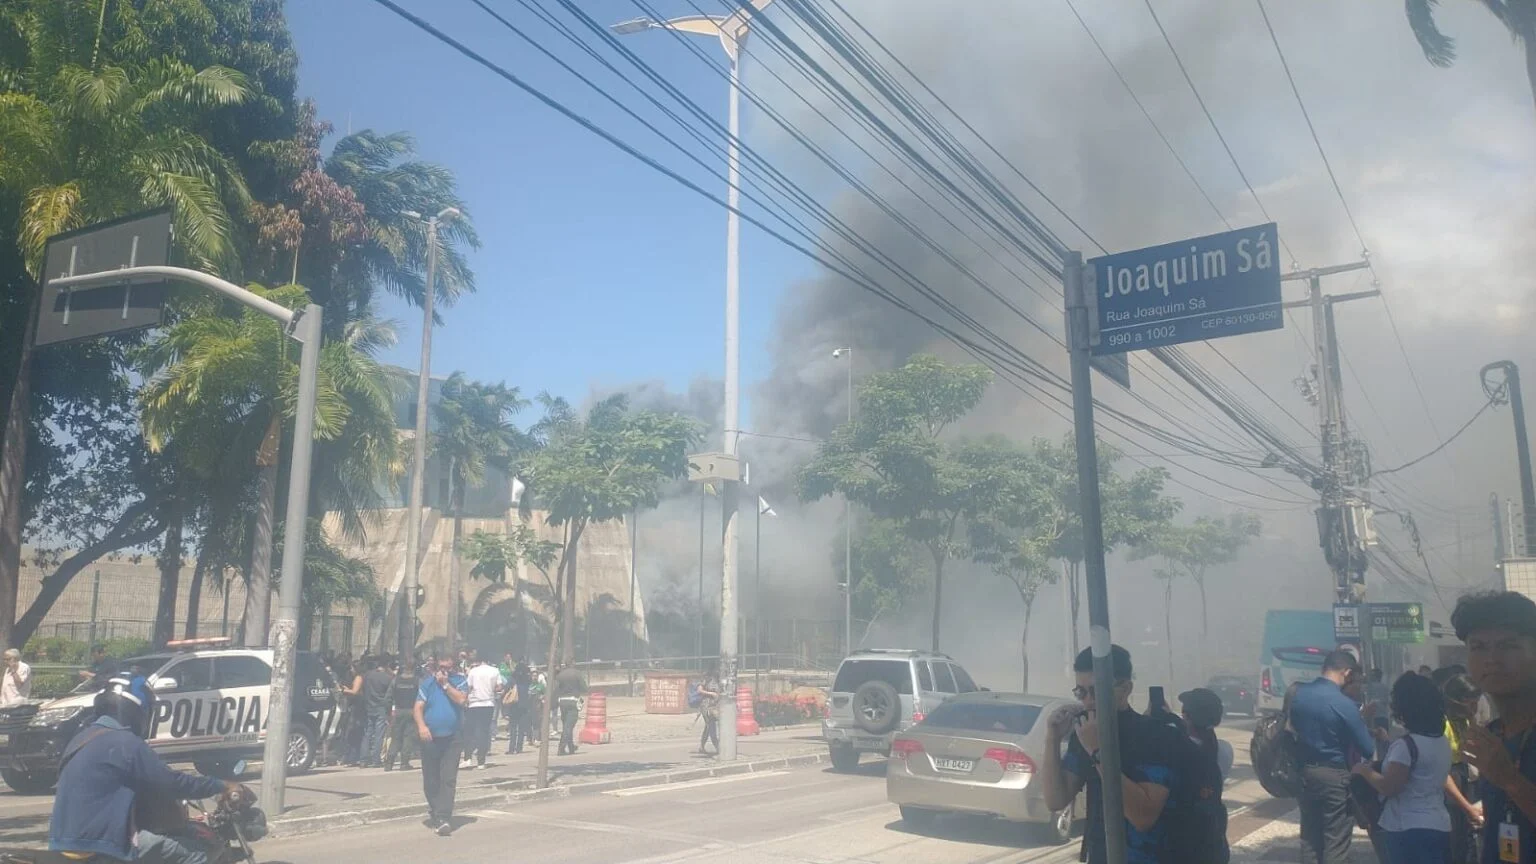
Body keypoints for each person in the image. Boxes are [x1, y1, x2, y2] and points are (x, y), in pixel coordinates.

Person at [50, 674, 245, 863]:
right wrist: (221, 785)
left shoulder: (80, 740)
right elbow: (172, 783)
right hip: (105, 842)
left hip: (63, 841)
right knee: (198, 854)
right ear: (136, 711)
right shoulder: (126, 742)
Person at [1039, 645, 1174, 864]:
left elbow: (1143, 817)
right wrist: (1052, 738)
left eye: (1096, 691)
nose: (1088, 701)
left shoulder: (1155, 736)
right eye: (1081, 692)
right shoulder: (1084, 733)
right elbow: (1056, 799)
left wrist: (1097, 751)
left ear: (1125, 689)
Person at [1451, 591, 1536, 864]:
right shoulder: (1494, 733)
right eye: (1478, 647)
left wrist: (1511, 780)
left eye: (1508, 646)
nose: (1492, 659)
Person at [1351, 672, 1454, 864]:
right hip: (1439, 822)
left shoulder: (1406, 745)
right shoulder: (1442, 742)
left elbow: (1389, 787)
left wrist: (1364, 770)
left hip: (1406, 827)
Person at [1289, 648, 1377, 864]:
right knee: (1335, 842)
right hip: (1335, 776)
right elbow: (1367, 748)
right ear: (1347, 673)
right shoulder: (1344, 704)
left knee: (1309, 839)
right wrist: (1364, 720)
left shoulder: (1298, 695)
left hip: (1305, 773)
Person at [416, 654, 467, 835]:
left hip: (453, 738)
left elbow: (461, 700)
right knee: (430, 780)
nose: (445, 671)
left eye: (448, 668)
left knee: (448, 778)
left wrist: (446, 684)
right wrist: (422, 726)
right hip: (430, 738)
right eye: (442, 668)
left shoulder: (459, 681)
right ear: (436, 667)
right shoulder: (427, 684)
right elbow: (418, 707)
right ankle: (436, 810)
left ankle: (443, 816)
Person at [1439, 672, 1484, 864]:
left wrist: (1472, 718)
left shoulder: (1463, 720)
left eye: (1476, 701)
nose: (1473, 706)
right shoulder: (1442, 724)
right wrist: (1467, 808)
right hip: (1450, 783)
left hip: (1467, 778)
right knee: (1455, 843)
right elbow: (1442, 773)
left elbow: (1475, 745)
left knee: (1468, 843)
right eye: (1469, 701)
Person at [462, 650, 500, 769]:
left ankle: (467, 758)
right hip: (488, 703)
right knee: (484, 732)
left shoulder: (473, 671)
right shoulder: (495, 671)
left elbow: (469, 687)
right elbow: (499, 687)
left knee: (471, 731)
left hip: (474, 703)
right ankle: (481, 762)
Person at [384, 656, 418, 772]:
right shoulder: (417, 681)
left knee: (396, 737)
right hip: (412, 711)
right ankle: (404, 763)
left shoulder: (396, 681)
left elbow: (388, 698)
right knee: (408, 737)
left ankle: (389, 763)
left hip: (398, 711)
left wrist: (388, 713)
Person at [360, 654, 394, 769]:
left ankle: (363, 759)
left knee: (367, 733)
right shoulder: (387, 678)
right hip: (381, 707)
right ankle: (376, 759)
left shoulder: (367, 675)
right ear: (387, 664)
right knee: (379, 734)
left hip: (369, 706)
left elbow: (363, 689)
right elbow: (390, 695)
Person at [554, 664, 587, 757]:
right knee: (568, 727)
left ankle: (571, 747)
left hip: (562, 701)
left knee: (566, 725)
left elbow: (556, 689)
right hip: (573, 701)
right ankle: (561, 748)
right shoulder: (577, 673)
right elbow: (584, 688)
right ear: (573, 663)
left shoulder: (560, 675)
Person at [505, 660, 531, 755]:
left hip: (514, 705)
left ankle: (511, 748)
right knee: (521, 728)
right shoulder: (527, 679)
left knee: (513, 728)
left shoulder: (512, 679)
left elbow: (506, 689)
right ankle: (519, 747)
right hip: (524, 705)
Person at [697, 664, 722, 756]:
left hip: (716, 706)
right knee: (711, 726)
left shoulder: (719, 680)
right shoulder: (706, 679)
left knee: (708, 727)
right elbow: (699, 690)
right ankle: (718, 747)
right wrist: (711, 693)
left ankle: (702, 746)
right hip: (706, 706)